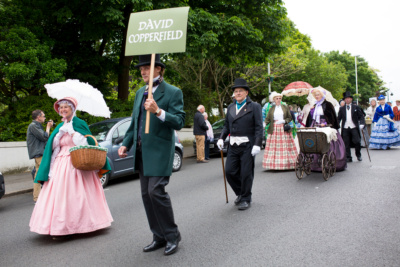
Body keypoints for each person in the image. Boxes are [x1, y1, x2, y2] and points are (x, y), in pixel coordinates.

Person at [118, 54, 185, 255]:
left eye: (147, 68)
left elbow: (179, 121)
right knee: (147, 196)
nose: (143, 72)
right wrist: (125, 143)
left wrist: (158, 111)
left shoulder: (173, 92)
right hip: (141, 151)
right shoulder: (140, 93)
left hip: (160, 151)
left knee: (156, 191)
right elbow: (134, 123)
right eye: (141, 69)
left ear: (159, 69)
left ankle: (172, 235)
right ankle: (159, 236)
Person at [29, 97, 113, 238]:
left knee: (79, 194)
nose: (62, 110)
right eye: (60, 107)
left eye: (65, 107)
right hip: (60, 162)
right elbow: (53, 146)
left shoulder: (80, 123)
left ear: (72, 109)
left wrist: (73, 132)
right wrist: (59, 134)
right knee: (59, 194)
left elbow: (85, 142)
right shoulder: (60, 126)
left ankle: (84, 224)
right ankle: (59, 226)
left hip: (77, 161)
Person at [217, 78, 263, 210]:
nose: (237, 93)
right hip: (233, 146)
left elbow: (259, 127)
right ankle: (240, 193)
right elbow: (226, 125)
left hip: (248, 146)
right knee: (230, 172)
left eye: (240, 91)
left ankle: (246, 198)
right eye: (236, 91)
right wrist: (221, 138)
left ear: (246, 92)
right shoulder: (230, 107)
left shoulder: (254, 106)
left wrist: (257, 144)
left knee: (246, 173)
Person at [305, 87, 347, 171]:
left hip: (325, 125)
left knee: (327, 141)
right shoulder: (315, 105)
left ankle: (329, 161)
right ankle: (314, 163)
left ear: (322, 95)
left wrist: (326, 123)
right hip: (315, 124)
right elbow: (311, 117)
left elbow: (332, 117)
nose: (317, 96)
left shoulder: (328, 104)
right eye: (315, 95)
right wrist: (311, 111)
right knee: (314, 142)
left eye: (318, 95)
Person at [262, 92, 298, 170]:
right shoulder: (271, 108)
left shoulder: (284, 107)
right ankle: (275, 165)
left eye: (280, 98)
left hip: (284, 128)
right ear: (274, 99)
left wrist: (283, 121)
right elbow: (268, 118)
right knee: (274, 147)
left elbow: (289, 117)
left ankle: (287, 164)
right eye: (277, 98)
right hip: (274, 129)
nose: (278, 100)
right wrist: (264, 124)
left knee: (285, 146)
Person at [26, 110, 53, 203]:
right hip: (39, 153)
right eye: (43, 116)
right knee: (41, 174)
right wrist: (48, 127)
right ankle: (37, 198)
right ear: (38, 117)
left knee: (38, 174)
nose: (45, 118)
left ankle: (38, 197)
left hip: (39, 153)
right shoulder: (33, 126)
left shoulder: (36, 126)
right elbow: (44, 137)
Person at [338, 92, 366, 162]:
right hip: (345, 127)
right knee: (346, 143)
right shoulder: (341, 109)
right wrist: (337, 125)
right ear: (344, 100)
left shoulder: (356, 107)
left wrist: (362, 124)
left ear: (351, 99)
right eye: (346, 99)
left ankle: (358, 154)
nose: (347, 100)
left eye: (349, 98)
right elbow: (338, 118)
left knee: (357, 141)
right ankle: (348, 157)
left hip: (354, 127)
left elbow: (361, 116)